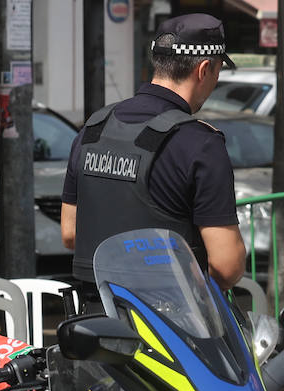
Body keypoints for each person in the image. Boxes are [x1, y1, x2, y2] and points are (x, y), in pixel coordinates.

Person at [60, 13, 246, 295]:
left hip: (94, 322)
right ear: (204, 69)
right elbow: (227, 266)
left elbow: (71, 234)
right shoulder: (200, 143)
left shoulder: (94, 127)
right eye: (218, 71)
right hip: (170, 328)